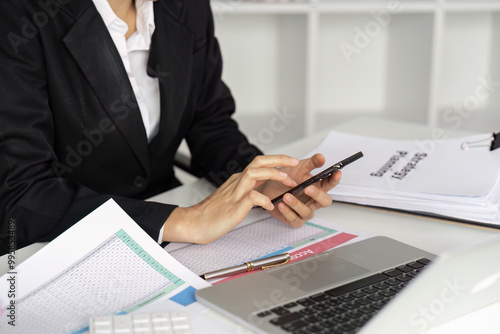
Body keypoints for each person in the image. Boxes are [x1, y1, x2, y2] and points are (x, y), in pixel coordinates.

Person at [0, 0, 341, 255]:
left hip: (170, 232)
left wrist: (264, 186)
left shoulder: (186, 7)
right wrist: (184, 221)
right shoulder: (17, 16)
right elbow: (21, 194)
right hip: (52, 246)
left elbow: (210, 123)